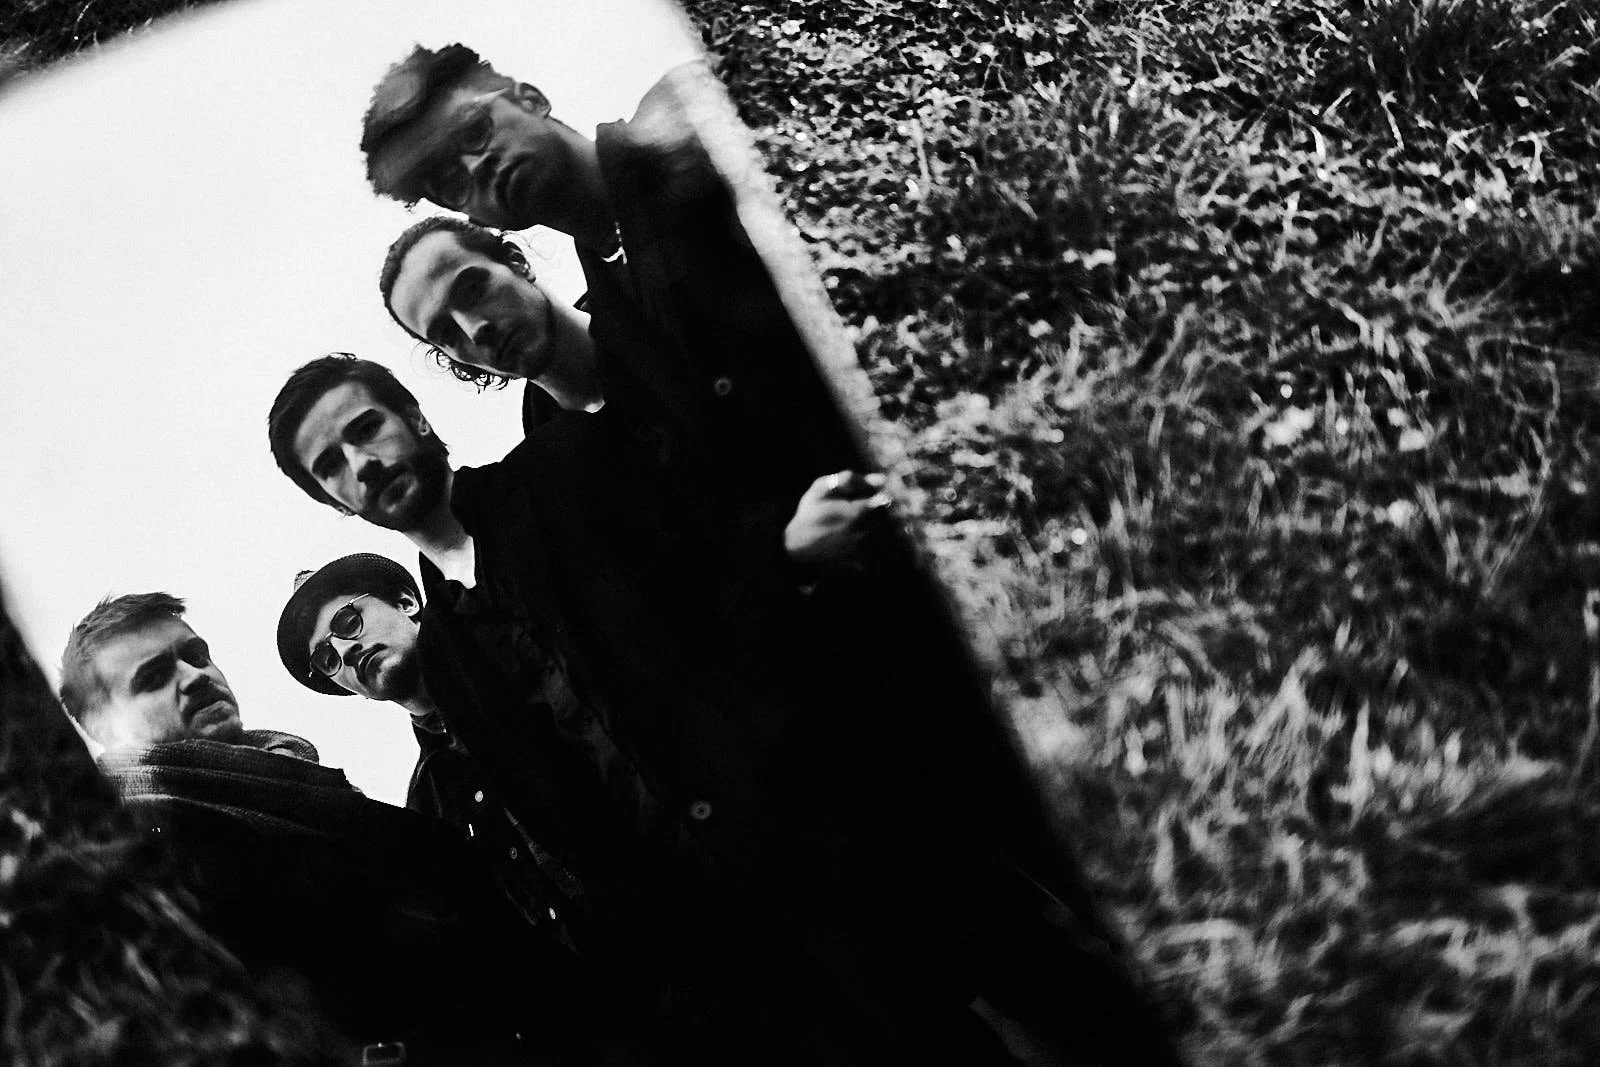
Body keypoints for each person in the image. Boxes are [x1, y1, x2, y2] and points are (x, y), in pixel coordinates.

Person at [268, 354, 1178, 1064]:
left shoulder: (562, 471)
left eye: (366, 428)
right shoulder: (451, 665)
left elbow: (738, 592)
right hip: (775, 951)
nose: (363, 463)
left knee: (1104, 1019)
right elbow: (580, 832)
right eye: (332, 466)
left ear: (416, 417)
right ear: (332, 500)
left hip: (869, 830)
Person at [59, 591, 649, 1066]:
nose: (195, 676)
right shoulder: (144, 861)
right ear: (99, 729)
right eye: (154, 677)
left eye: (197, 653)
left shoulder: (311, 792)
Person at [360, 43, 855, 489]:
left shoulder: (687, 119)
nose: (476, 167)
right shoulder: (616, 333)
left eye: (474, 131)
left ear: (530, 98)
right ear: (474, 216)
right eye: (451, 184)